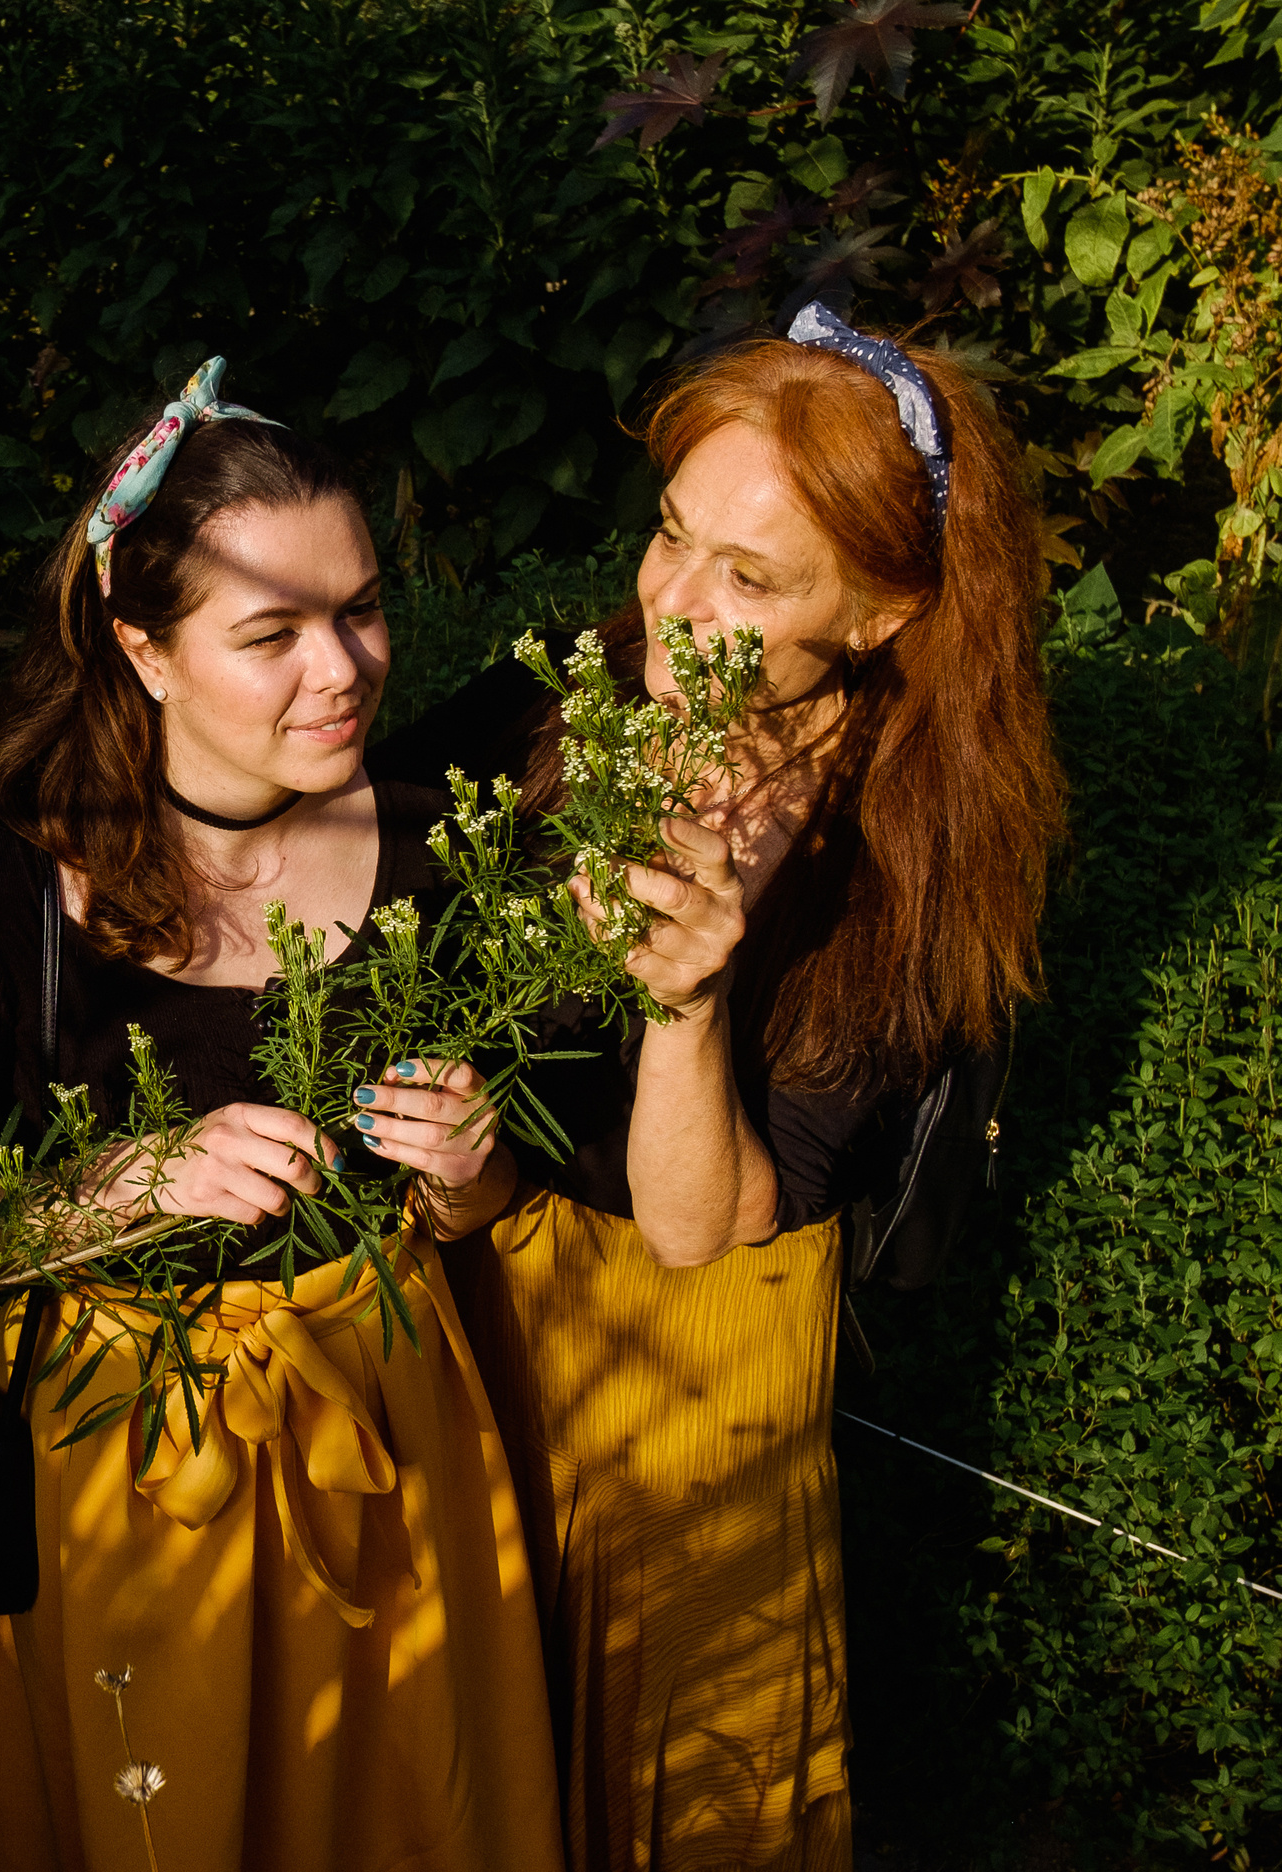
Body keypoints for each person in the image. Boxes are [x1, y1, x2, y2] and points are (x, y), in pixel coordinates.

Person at [372, 306, 1066, 1869]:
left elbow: (717, 1227)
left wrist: (688, 1002)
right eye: (672, 536)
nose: (671, 606)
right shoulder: (559, 708)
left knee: (670, 1783)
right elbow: (343, 911)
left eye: (751, 582)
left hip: (693, 1390)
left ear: (885, 613)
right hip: (477, 1325)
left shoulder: (905, 863)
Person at [0, 360, 564, 1871]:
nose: (346, 669)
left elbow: (474, 1220)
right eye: (273, 633)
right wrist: (125, 1186)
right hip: (134, 1492)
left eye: (364, 608)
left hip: (392, 1455)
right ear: (145, 650)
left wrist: (469, 1175)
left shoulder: (447, 842)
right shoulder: (6, 895)